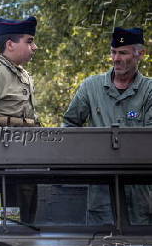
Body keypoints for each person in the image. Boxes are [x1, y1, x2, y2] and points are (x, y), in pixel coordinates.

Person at [64, 27, 152, 224]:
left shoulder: (149, 91)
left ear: (140, 54)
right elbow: (69, 126)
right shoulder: (90, 87)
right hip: (101, 193)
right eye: (113, 52)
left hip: (140, 193)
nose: (116, 58)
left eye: (123, 53)